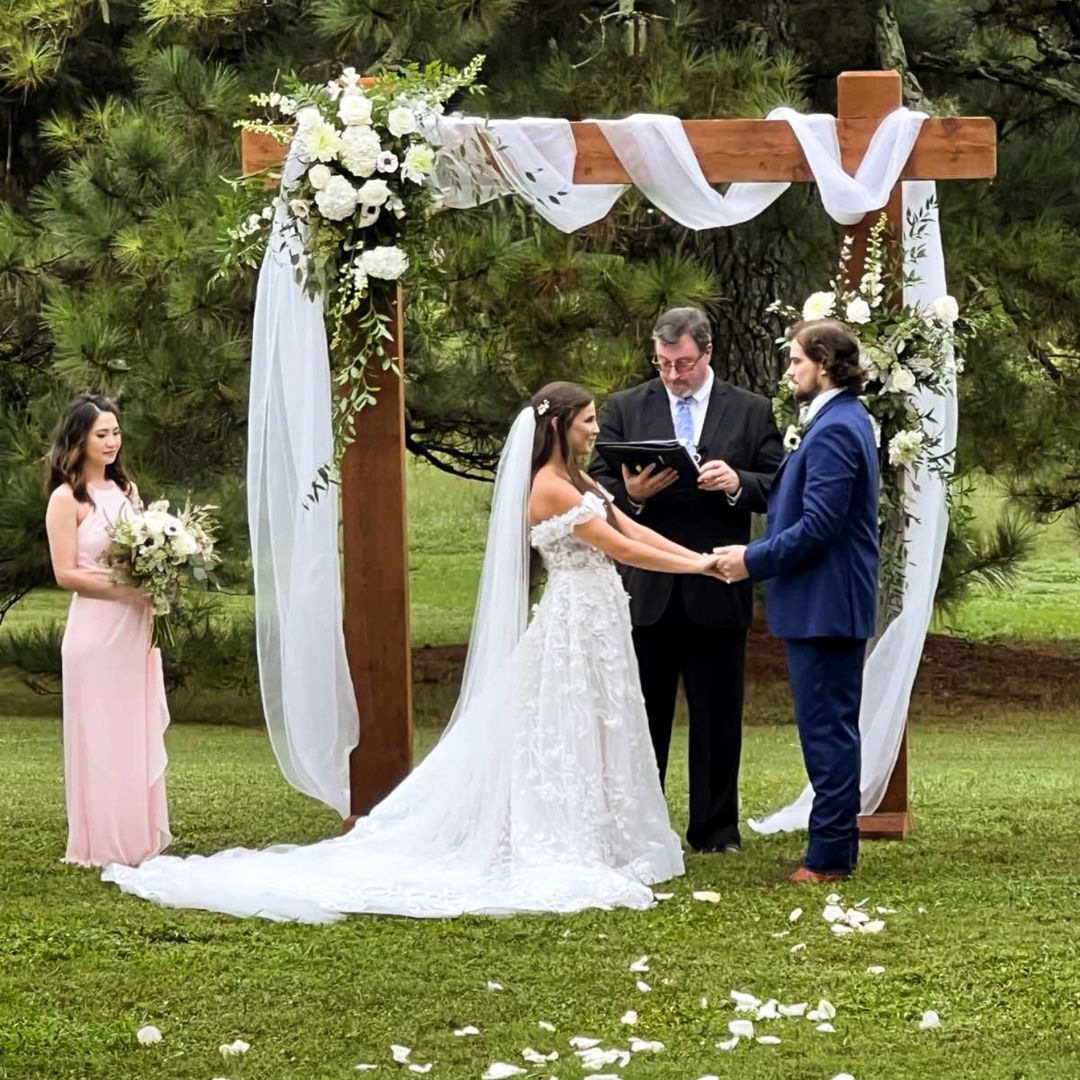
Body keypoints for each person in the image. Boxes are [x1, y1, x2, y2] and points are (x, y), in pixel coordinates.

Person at [103, 382, 725, 923]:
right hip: (573, 620)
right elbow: (622, 549)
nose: (597, 428)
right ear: (560, 424)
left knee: (600, 722)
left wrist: (699, 560)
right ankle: (557, 832)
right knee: (562, 725)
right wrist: (700, 565)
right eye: (588, 419)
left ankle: (608, 832)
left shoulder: (580, 479)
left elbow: (633, 529)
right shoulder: (549, 489)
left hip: (598, 617)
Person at [589, 307, 784, 854]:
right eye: (663, 364)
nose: (673, 375)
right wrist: (634, 496)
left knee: (718, 713)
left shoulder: (750, 410)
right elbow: (598, 485)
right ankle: (641, 828)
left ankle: (716, 829)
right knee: (642, 714)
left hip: (716, 579)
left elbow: (778, 482)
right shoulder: (628, 406)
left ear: (708, 353)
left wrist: (736, 482)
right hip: (646, 587)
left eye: (683, 364)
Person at [713, 320, 880, 883]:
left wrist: (751, 559)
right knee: (827, 725)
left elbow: (820, 525)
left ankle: (830, 855)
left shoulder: (835, 428)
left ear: (826, 363)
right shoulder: (836, 420)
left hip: (826, 602)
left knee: (827, 727)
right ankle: (836, 844)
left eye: (796, 361)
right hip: (821, 601)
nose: (789, 371)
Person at [44, 393, 171, 868]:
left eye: (116, 432)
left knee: (130, 730)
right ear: (79, 439)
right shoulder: (66, 499)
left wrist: (157, 581)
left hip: (135, 630)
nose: (112, 441)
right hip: (96, 633)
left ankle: (135, 838)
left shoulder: (127, 493)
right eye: (102, 434)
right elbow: (66, 573)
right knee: (99, 733)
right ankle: (100, 843)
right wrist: (128, 594)